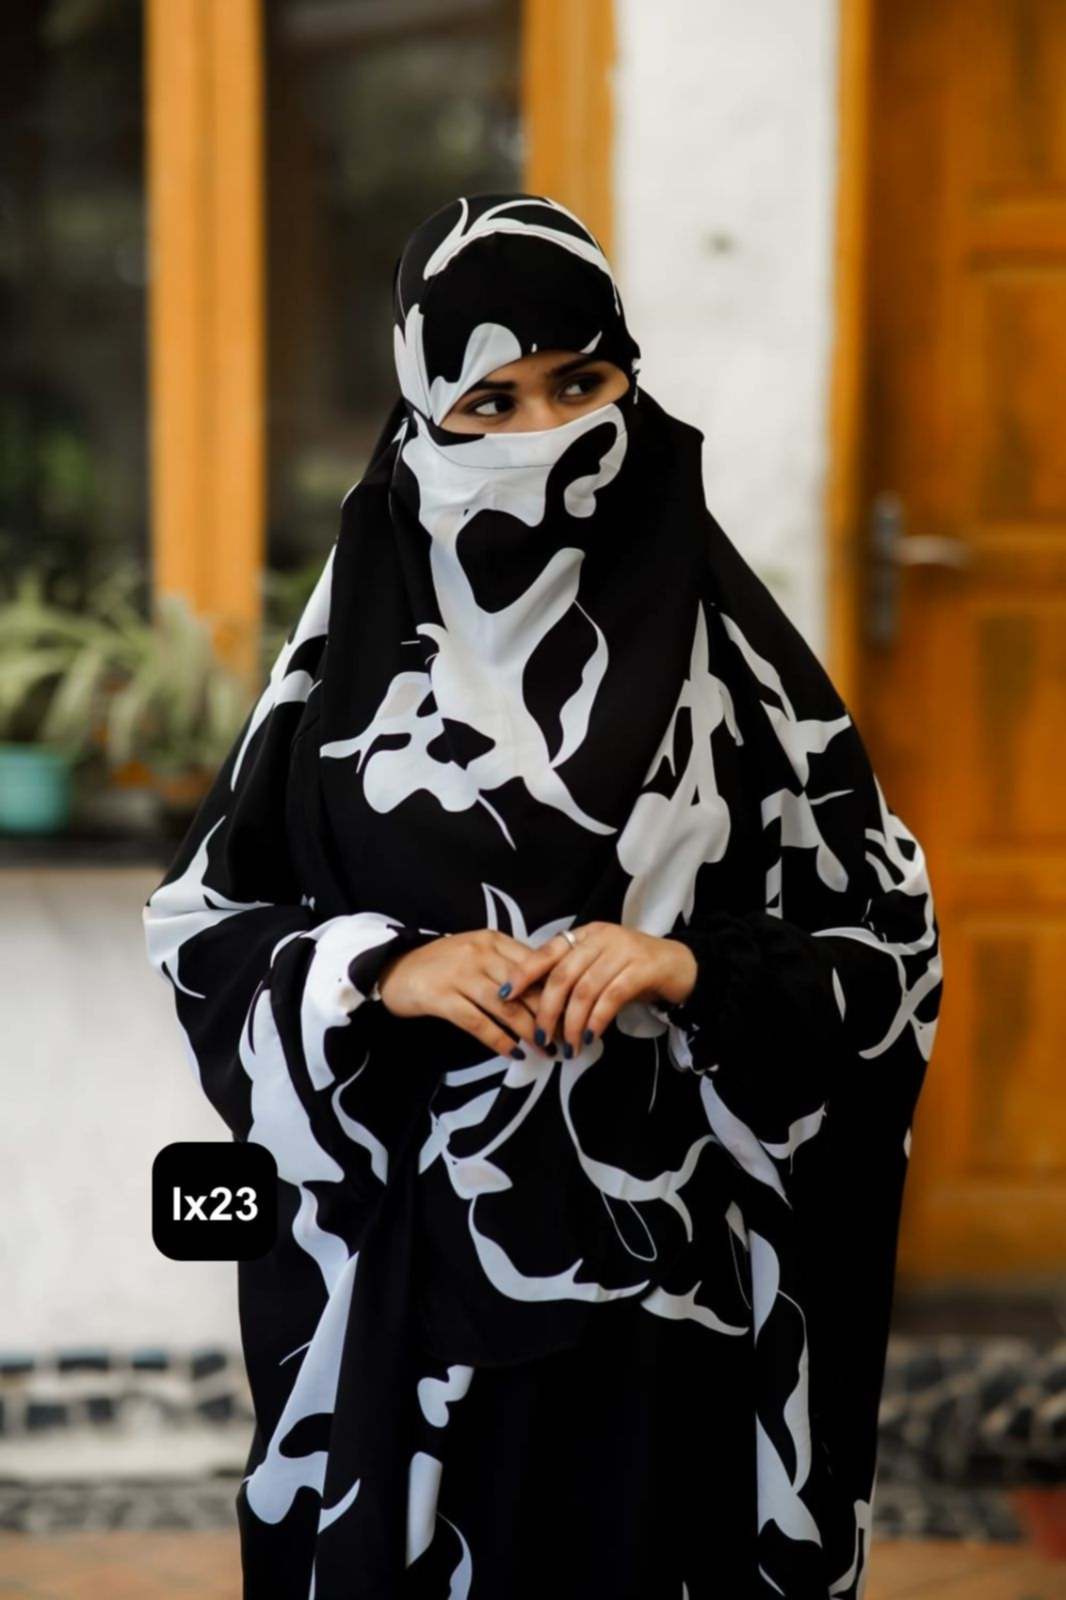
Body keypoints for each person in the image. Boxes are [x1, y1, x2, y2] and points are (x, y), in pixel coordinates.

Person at [142, 192, 944, 1599]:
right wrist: (379, 969)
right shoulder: (344, 673)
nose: (543, 433)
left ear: (630, 378)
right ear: (422, 418)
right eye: (488, 402)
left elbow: (887, 948)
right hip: (404, 1297)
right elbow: (204, 930)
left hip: (674, 1281)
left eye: (579, 383)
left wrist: (694, 969)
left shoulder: (738, 668)